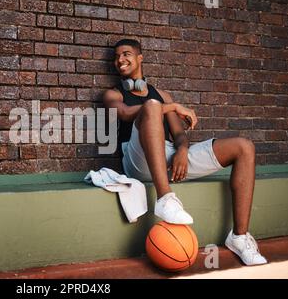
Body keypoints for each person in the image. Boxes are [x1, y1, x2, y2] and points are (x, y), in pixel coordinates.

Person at [103, 39, 267, 266]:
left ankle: (239, 237)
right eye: (116, 56)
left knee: (244, 147)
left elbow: (179, 134)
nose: (120, 60)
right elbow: (125, 113)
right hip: (137, 159)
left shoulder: (162, 95)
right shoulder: (113, 94)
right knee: (151, 106)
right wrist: (174, 107)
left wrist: (181, 150)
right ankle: (165, 199)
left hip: (167, 155)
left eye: (126, 54)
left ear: (140, 58)